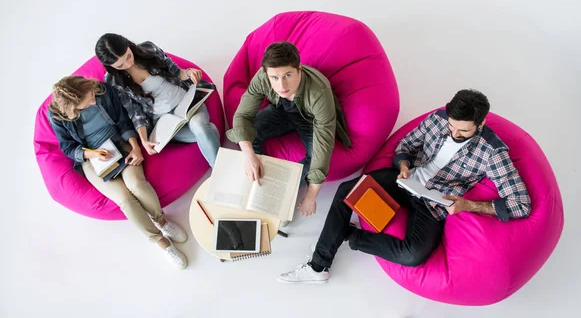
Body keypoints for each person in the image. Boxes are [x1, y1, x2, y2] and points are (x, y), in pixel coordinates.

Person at [278, 89, 531, 283]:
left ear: (481, 124)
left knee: (413, 256)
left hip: (434, 203)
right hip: (405, 182)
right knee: (348, 190)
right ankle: (318, 266)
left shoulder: (493, 153)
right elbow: (405, 146)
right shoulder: (438, 119)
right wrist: (403, 166)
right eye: (452, 126)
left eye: (463, 131)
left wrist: (468, 204)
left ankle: (349, 235)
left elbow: (520, 204)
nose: (454, 133)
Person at [48, 76, 188, 269]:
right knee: (124, 199)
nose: (93, 100)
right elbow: (68, 147)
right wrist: (92, 153)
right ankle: (161, 242)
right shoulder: (58, 116)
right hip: (93, 159)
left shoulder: (101, 91)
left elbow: (123, 121)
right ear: (73, 108)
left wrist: (135, 147)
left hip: (120, 144)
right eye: (87, 102)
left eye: (91, 95)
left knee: (137, 185)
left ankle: (162, 222)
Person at [226, 41, 351, 217]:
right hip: (280, 110)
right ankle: (257, 178)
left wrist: (310, 197)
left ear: (299, 69)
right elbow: (242, 116)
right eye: (274, 78)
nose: (282, 86)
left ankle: (279, 191)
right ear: (266, 73)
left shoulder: (319, 93)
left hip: (310, 120)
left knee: (314, 157)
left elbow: (322, 153)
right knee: (248, 135)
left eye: (288, 75)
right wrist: (249, 155)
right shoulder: (262, 77)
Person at [95, 33, 220, 167]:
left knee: (199, 125)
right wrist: (143, 140)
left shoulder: (149, 49)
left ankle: (220, 175)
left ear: (128, 45)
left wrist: (189, 72)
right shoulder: (113, 80)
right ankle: (226, 167)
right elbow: (135, 112)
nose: (128, 63)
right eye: (120, 65)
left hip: (187, 101)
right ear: (110, 66)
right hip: (165, 121)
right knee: (208, 130)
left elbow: (177, 73)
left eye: (128, 56)